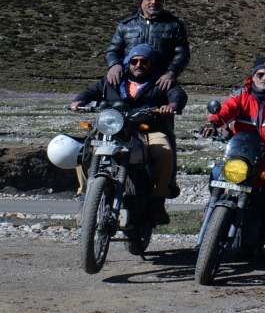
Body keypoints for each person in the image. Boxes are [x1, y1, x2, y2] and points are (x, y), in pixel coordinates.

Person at [70, 43, 187, 221]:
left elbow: (177, 93)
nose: (138, 65)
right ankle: (85, 196)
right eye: (134, 61)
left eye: (144, 61)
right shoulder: (114, 79)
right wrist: (78, 101)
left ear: (151, 63)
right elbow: (90, 91)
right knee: (83, 150)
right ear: (128, 62)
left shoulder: (160, 81)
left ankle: (158, 200)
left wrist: (171, 105)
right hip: (112, 129)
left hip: (146, 130)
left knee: (164, 151)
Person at [205, 56, 265, 226]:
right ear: (253, 75)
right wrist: (212, 122)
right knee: (216, 174)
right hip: (241, 153)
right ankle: (210, 214)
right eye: (260, 74)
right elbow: (227, 110)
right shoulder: (241, 95)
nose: (264, 78)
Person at [104, 0, 190, 92]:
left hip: (160, 83)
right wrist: (114, 65)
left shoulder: (174, 26)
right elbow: (112, 51)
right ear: (141, 1)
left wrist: (171, 73)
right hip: (128, 82)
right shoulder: (126, 26)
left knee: (175, 101)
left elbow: (182, 54)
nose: (154, 2)